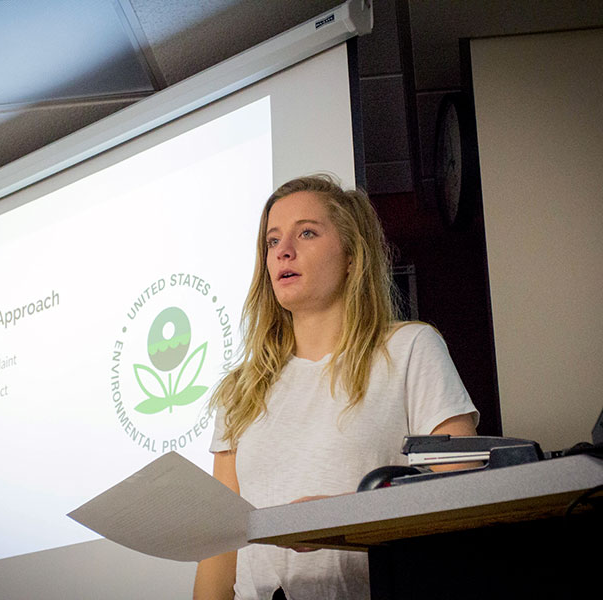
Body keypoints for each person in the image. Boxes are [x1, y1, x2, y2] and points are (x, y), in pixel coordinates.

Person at [192, 174, 479, 600]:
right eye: (272, 242)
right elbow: (219, 549)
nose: (283, 251)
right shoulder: (241, 388)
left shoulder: (410, 349)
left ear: (351, 255)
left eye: (306, 233)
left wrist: (344, 519)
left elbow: (466, 495)